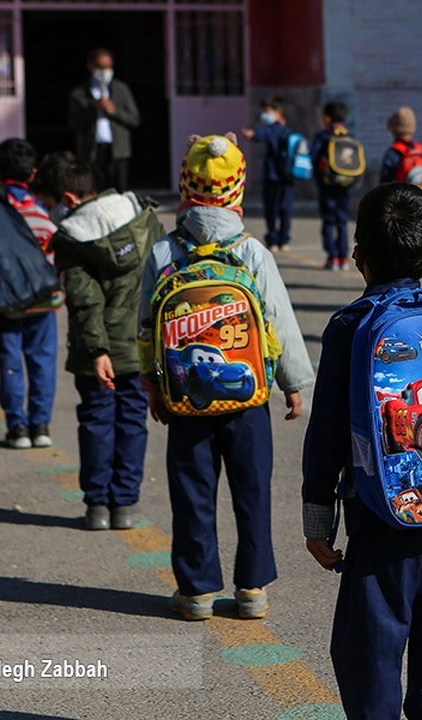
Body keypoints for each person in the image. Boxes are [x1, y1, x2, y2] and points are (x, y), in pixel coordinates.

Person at [302, 183, 422, 720]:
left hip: (380, 519)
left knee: (367, 657)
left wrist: (318, 519)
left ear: (357, 255)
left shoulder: (349, 327)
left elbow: (326, 435)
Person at [139, 132, 314, 619]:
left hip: (187, 399)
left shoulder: (163, 252)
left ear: (185, 186)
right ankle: (252, 588)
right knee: (251, 489)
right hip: (248, 394)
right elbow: (277, 320)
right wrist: (294, 383)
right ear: (236, 190)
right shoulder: (252, 252)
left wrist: (153, 383)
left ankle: (196, 590)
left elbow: (145, 326)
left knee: (193, 491)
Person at [39, 158, 165, 531]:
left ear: (67, 198)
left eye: (49, 204)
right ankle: (125, 504)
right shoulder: (143, 217)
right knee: (132, 421)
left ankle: (97, 506)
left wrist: (96, 350)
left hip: (97, 352)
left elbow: (84, 300)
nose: (51, 212)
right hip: (142, 344)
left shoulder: (73, 238)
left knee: (96, 421)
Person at [0, 139, 59, 450]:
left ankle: (16, 426)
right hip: (43, 300)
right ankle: (41, 424)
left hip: (6, 300)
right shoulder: (41, 213)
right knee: (42, 361)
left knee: (10, 360)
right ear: (32, 174)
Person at [68, 47, 141, 193]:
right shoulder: (80, 92)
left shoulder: (121, 89)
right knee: (94, 192)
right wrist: (94, 108)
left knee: (118, 193)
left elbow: (134, 119)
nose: (104, 72)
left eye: (108, 67)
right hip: (91, 151)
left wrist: (114, 112)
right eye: (100, 67)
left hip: (117, 151)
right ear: (90, 66)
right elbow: (74, 122)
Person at [241, 96, 296, 251]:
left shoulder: (276, 129)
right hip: (288, 177)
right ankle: (283, 239)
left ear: (278, 112)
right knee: (285, 208)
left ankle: (273, 238)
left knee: (272, 209)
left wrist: (252, 134)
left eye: (267, 111)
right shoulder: (288, 130)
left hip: (274, 177)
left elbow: (263, 133)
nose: (264, 114)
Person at [310, 100, 354, 270]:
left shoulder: (323, 136)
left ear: (327, 118)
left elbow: (314, 157)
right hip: (346, 184)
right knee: (342, 220)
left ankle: (332, 258)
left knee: (329, 220)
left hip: (327, 184)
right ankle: (343, 257)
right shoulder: (349, 135)